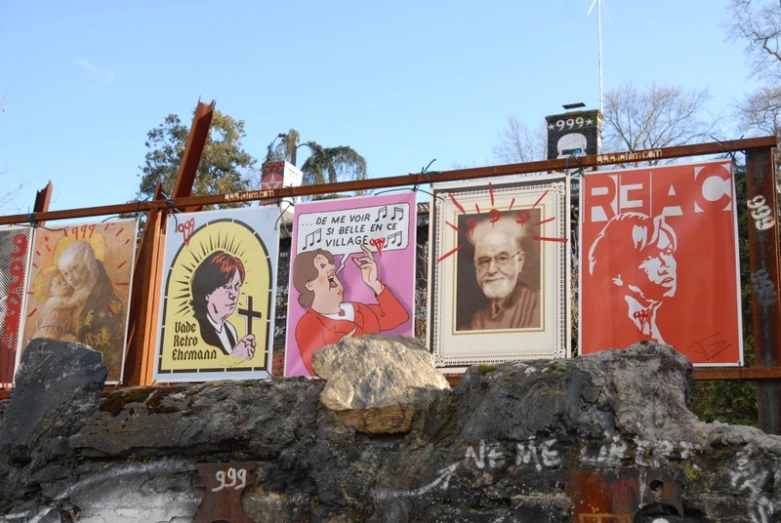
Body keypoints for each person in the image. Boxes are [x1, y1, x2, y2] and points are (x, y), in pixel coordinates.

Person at [291, 245, 409, 376]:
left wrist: (374, 283)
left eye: (330, 264)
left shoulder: (358, 310)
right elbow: (316, 369)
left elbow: (399, 317)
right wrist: (343, 349)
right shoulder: (308, 324)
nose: (332, 267)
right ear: (309, 284)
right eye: (323, 266)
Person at [587, 212, 678, 345]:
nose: (666, 263)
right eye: (652, 255)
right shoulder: (611, 330)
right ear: (619, 269)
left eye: (668, 252)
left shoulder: (654, 327)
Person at [57, 240, 126, 379]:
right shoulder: (66, 300)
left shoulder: (109, 305)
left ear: (88, 263)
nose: (70, 278)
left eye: (74, 268)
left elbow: (104, 350)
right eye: (65, 273)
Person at [460, 216, 540, 331]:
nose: (492, 270)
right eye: (484, 261)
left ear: (519, 261)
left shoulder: (541, 306)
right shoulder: (473, 323)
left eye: (502, 258)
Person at [190, 250, 256, 360]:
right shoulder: (195, 327)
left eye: (236, 287)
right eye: (226, 287)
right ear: (207, 292)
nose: (233, 294)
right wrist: (235, 358)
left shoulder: (230, 329)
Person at [31, 268, 80, 343]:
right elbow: (74, 302)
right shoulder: (52, 301)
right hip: (47, 334)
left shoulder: (65, 299)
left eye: (65, 281)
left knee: (74, 341)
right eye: (59, 283)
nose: (64, 284)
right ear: (49, 291)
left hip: (60, 334)